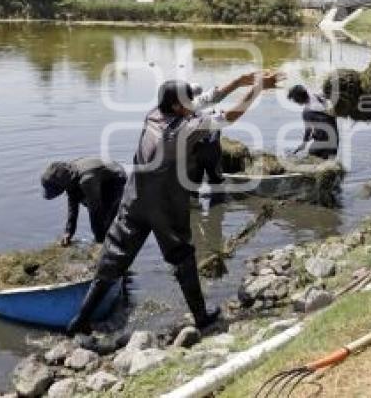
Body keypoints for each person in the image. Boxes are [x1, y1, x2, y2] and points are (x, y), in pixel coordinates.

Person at [66, 71, 280, 335]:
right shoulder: (186, 129)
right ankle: (201, 318)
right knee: (182, 258)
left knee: (113, 259)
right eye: (188, 100)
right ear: (179, 106)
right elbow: (231, 116)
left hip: (134, 201)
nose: (194, 103)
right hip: (165, 207)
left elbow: (207, 98)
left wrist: (238, 81)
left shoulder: (153, 114)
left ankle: (80, 320)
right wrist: (257, 88)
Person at [187, 75, 257, 192]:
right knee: (216, 179)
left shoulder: (186, 112)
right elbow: (224, 119)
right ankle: (218, 201)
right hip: (212, 149)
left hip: (195, 151)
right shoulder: (212, 109)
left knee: (194, 181)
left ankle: (195, 202)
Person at [41, 158, 128, 246]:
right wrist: (68, 232)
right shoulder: (68, 175)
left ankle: (109, 241)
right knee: (82, 198)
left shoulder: (86, 181)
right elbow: (72, 204)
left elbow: (95, 212)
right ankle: (106, 237)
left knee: (104, 214)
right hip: (97, 176)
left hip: (115, 177)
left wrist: (98, 240)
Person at [287, 84, 339, 159]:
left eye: (295, 100)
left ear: (298, 98)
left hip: (322, 143)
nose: (295, 102)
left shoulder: (307, 112)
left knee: (311, 160)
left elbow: (308, 130)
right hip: (334, 141)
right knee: (329, 165)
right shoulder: (317, 96)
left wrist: (304, 143)